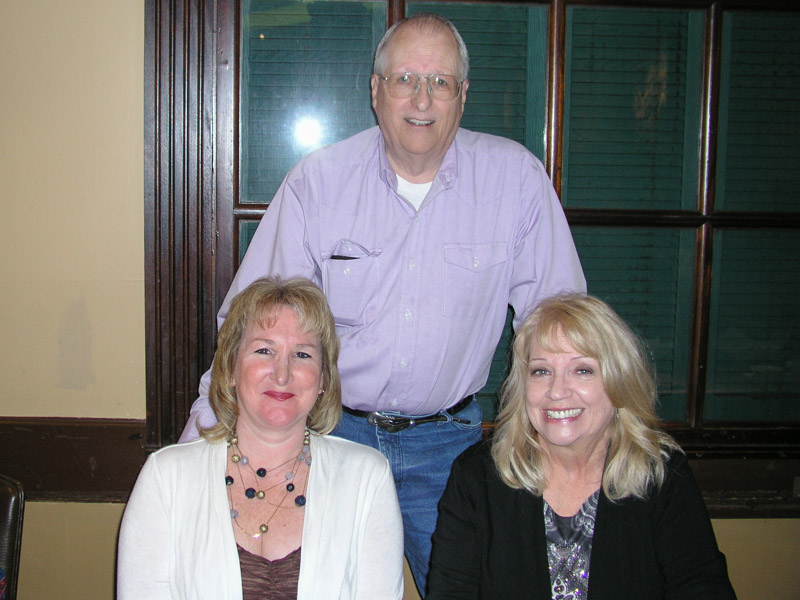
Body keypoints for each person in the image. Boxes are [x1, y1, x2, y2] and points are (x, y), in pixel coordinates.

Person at [179, 12, 585, 593]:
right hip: (328, 434)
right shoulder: (318, 183)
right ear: (376, 91)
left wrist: (575, 449)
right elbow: (249, 330)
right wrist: (197, 450)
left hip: (448, 447)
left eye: (440, 81)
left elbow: (563, 331)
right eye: (404, 79)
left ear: (463, 95)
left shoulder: (515, 181)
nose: (422, 98)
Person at [426, 293, 737, 599]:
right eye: (541, 371)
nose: (557, 391)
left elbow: (702, 585)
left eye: (582, 370)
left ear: (619, 381)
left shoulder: (660, 474)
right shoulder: (476, 477)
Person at [118, 277, 404, 599]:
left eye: (302, 355)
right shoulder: (165, 478)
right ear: (229, 369)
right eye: (264, 350)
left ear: (323, 378)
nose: (282, 374)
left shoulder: (367, 478)